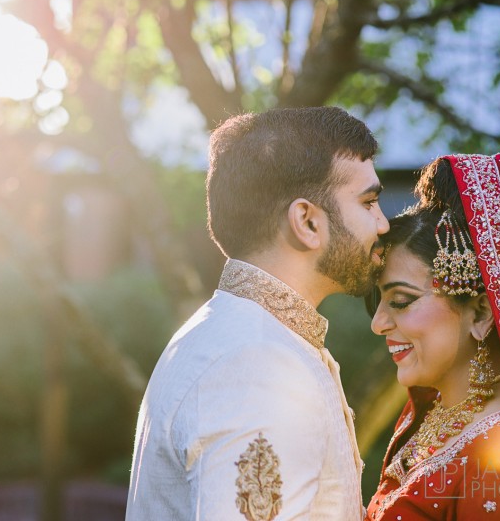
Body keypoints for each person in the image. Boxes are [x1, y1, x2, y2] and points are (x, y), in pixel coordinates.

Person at [125, 106, 389, 520]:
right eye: (369, 202)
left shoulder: (245, 337)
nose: (383, 223)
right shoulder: (256, 364)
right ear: (307, 222)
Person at [367, 153, 500, 519]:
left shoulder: (497, 455)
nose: (378, 323)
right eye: (379, 303)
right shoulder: (430, 417)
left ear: (479, 313)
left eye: (400, 301)